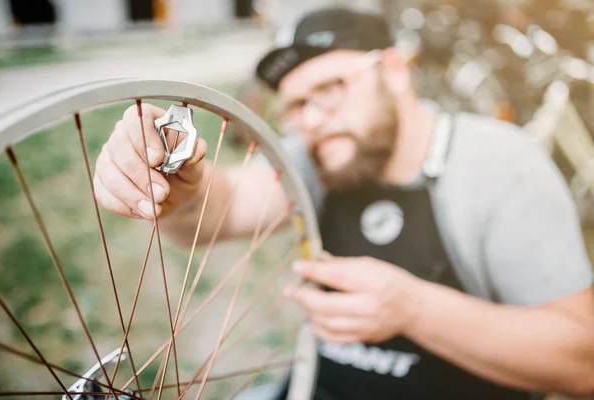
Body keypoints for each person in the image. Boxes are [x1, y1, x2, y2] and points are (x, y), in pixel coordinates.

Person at [93, 7, 594, 399]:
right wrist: (177, 187)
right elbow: (212, 216)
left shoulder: (499, 167)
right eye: (295, 106)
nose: (311, 120)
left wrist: (413, 309)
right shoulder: (319, 156)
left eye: (330, 90)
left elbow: (581, 363)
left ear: (395, 70)